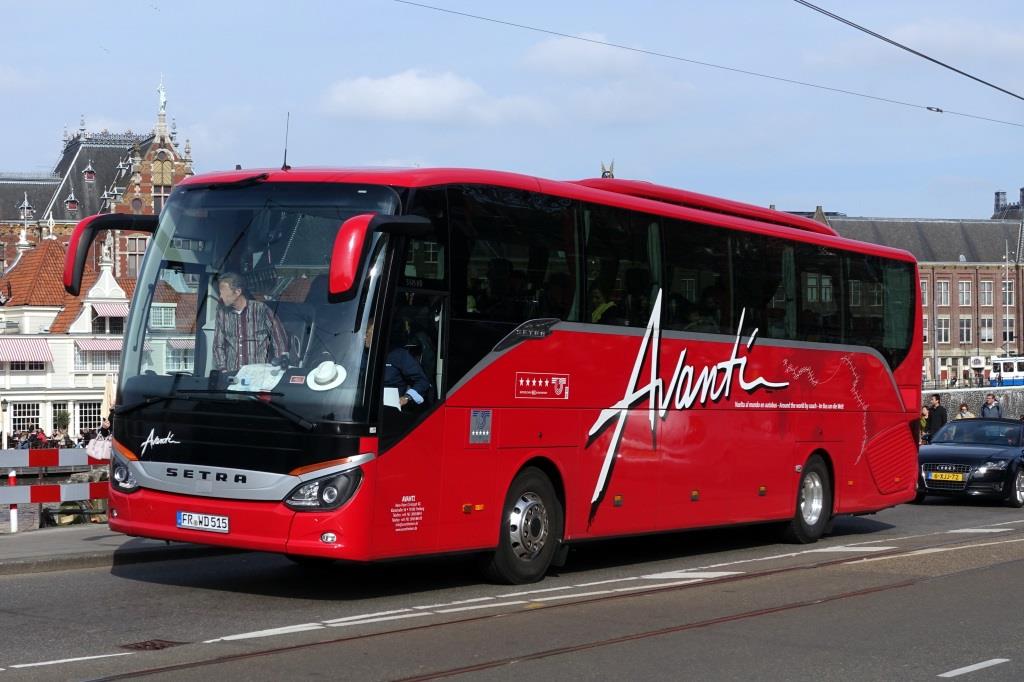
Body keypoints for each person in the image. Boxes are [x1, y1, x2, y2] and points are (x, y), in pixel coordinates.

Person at [212, 272, 289, 372]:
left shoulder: (261, 309)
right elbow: (218, 345)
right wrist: (223, 369)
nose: (221, 297)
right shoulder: (222, 313)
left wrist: (278, 369)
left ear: (237, 292)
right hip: (233, 375)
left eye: (223, 293)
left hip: (259, 375)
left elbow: (279, 339)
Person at [365, 320, 430, 409]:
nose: (363, 337)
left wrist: (407, 397)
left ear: (377, 334)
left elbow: (423, 382)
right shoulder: (358, 356)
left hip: (389, 407)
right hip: (361, 405)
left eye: (366, 333)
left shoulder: (399, 355)